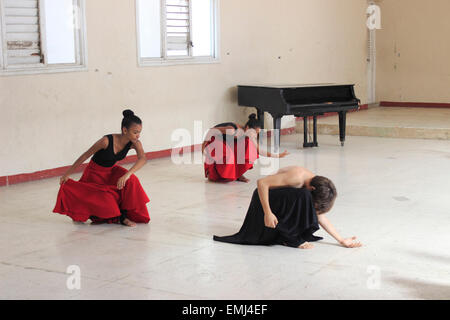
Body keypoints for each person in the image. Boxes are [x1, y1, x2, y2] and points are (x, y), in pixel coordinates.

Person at [213, 166, 362, 249]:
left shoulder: (315, 184)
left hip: (279, 202)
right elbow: (262, 183)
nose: (314, 209)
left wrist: (341, 240)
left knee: (303, 198)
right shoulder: (297, 178)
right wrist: (268, 213)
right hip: (263, 200)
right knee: (303, 196)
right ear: (312, 189)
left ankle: (286, 235)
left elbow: (319, 215)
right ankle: (291, 238)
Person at [53, 109, 150, 227]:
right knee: (106, 199)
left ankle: (126, 212)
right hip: (94, 174)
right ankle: (120, 218)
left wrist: (127, 175)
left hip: (111, 172)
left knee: (132, 180)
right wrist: (67, 174)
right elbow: (85, 155)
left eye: (140, 132)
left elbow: (143, 159)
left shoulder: (135, 143)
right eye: (135, 132)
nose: (138, 135)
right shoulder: (105, 141)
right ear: (125, 130)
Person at [202, 114, 289, 183]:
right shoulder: (233, 130)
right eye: (254, 132)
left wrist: (277, 155)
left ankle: (238, 174)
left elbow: (258, 150)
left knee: (250, 147)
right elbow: (211, 131)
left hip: (227, 142)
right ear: (247, 128)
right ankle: (211, 173)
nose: (255, 135)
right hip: (214, 140)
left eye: (257, 133)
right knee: (229, 156)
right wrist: (203, 146)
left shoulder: (249, 135)